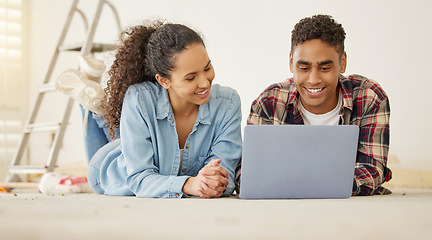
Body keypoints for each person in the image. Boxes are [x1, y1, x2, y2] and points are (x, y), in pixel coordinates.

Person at [55, 20, 242, 198]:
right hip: (108, 170)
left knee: (128, 136)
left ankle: (98, 106)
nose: (204, 82)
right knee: (119, 139)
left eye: (207, 68)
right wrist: (189, 184)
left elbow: (225, 176)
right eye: (191, 78)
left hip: (140, 141)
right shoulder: (139, 98)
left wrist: (214, 182)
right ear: (163, 80)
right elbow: (139, 178)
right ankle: (92, 108)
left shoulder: (228, 102)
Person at [235, 14, 392, 196]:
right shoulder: (269, 102)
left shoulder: (369, 97)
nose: (314, 79)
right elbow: (247, 174)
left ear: (342, 63)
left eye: (325, 68)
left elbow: (372, 171)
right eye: (304, 68)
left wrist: (293, 182)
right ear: (291, 62)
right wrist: (327, 182)